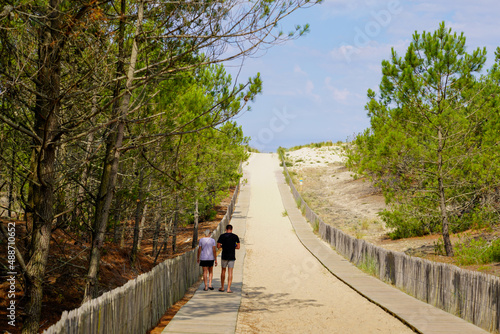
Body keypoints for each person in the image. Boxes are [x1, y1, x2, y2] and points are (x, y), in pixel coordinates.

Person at [217, 224, 240, 293]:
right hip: (232, 256)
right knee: (230, 272)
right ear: (232, 229)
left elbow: (218, 245)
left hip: (224, 256)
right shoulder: (235, 237)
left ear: (226, 229)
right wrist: (233, 247)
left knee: (223, 271)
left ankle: (222, 287)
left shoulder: (222, 236)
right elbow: (238, 247)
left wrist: (223, 246)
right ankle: (228, 288)